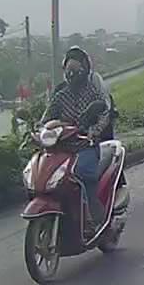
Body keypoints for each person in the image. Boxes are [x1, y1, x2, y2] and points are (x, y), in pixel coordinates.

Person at [41, 46, 113, 239]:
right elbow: (46, 119)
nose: (72, 74)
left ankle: (94, 217)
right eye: (69, 70)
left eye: (76, 70)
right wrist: (40, 132)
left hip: (85, 145)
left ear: (85, 70)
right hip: (61, 148)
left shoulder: (93, 92)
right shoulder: (60, 95)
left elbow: (104, 115)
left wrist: (92, 132)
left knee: (83, 174)